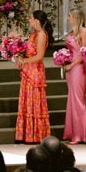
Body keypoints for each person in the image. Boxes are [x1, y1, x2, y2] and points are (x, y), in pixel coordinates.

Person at [15, 10, 52, 144]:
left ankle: (35, 134)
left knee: (34, 101)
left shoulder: (41, 35)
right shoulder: (33, 34)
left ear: (37, 20)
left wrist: (24, 61)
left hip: (35, 72)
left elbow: (39, 56)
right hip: (28, 71)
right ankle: (26, 134)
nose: (29, 20)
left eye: (31, 18)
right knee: (27, 101)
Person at [62, 8, 86, 145]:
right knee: (72, 99)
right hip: (71, 68)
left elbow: (84, 54)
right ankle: (72, 133)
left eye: (69, 16)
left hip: (78, 68)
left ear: (76, 17)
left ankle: (80, 134)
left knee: (78, 100)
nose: (68, 18)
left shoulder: (84, 32)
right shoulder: (72, 32)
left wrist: (71, 65)